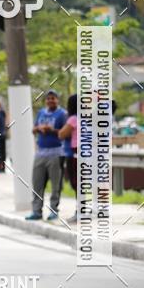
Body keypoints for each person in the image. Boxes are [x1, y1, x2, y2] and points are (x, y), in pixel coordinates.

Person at [25, 89, 67, 222]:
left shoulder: (62, 114)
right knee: (37, 183)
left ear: (57, 100)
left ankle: (54, 210)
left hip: (56, 152)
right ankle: (36, 211)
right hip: (40, 152)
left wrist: (51, 130)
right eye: (48, 98)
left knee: (55, 185)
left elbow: (65, 132)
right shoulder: (41, 113)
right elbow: (33, 129)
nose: (50, 101)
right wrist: (38, 129)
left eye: (53, 98)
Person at [58, 93, 78, 223]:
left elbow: (61, 134)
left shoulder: (73, 119)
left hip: (75, 154)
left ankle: (80, 212)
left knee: (76, 183)